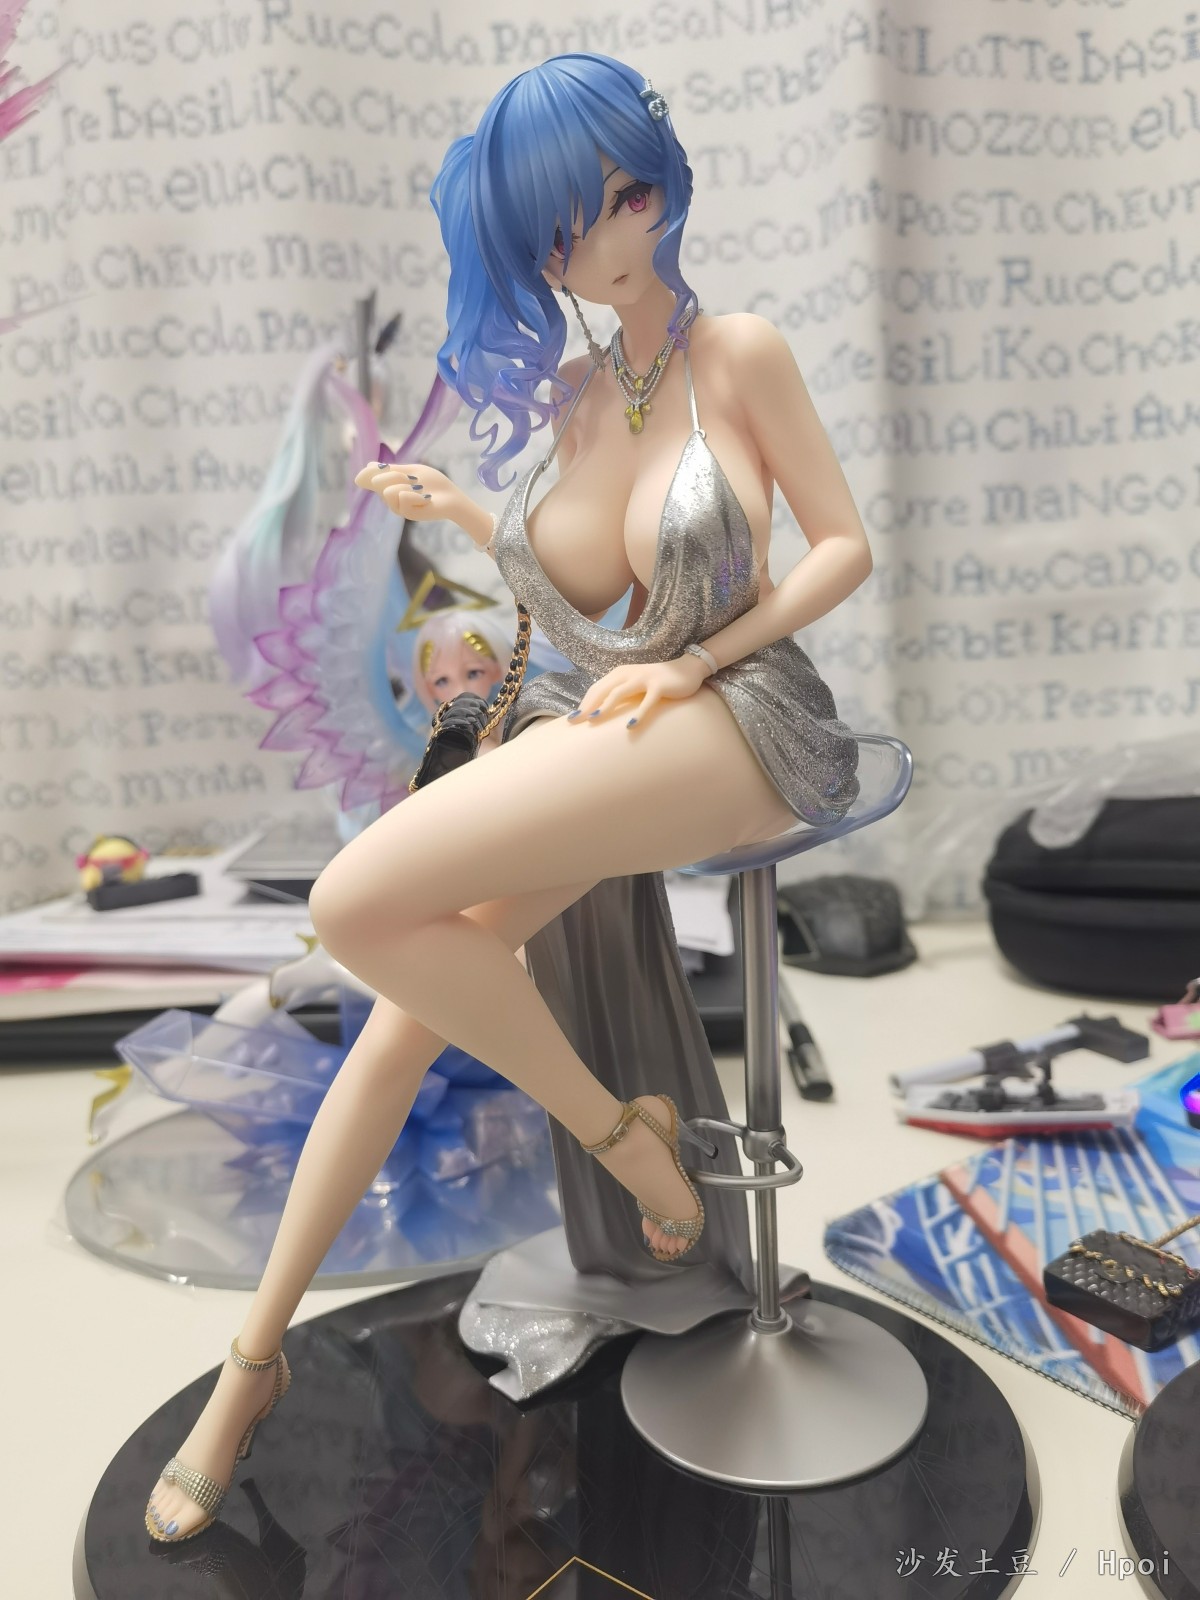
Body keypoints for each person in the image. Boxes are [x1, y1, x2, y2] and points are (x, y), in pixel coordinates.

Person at [145, 50, 870, 1543]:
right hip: (606, 719)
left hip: (740, 718)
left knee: (355, 900)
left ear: (658, 182)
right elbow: (571, 600)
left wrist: (698, 662)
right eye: (558, 232)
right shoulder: (585, 393)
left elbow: (844, 547)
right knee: (402, 1002)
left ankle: (621, 1140)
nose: (602, 239)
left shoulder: (740, 352)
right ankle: (251, 1365)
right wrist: (473, 518)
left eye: (619, 196)